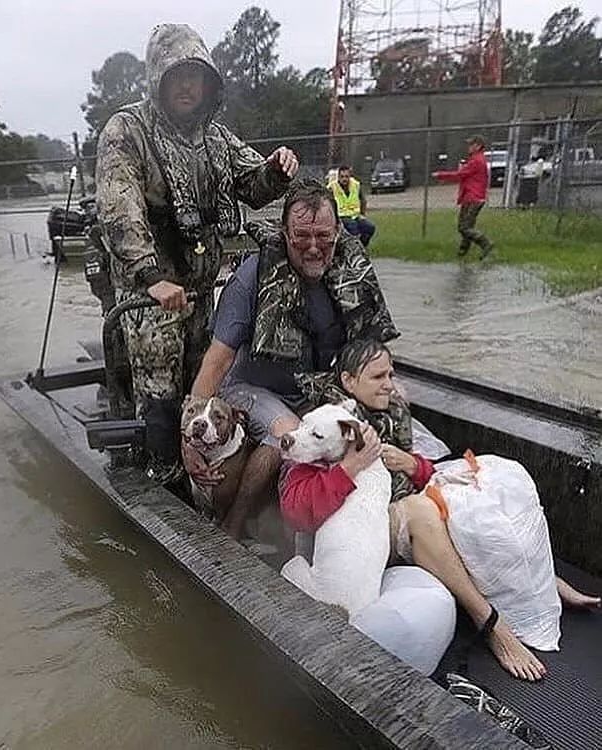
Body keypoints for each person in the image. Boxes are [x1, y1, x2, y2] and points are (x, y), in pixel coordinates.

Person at [282, 337, 600, 681]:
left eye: (390, 373)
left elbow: (425, 471)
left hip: (395, 506)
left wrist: (411, 465)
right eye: (377, 377)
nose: (389, 383)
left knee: (477, 496)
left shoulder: (390, 415)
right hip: (361, 533)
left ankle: (542, 580)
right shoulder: (320, 428)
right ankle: (492, 625)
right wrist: (349, 469)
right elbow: (296, 512)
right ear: (348, 381)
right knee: (422, 512)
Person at [96, 23, 299, 483]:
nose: (188, 85)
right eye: (177, 74)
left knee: (200, 385)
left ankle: (204, 471)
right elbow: (119, 207)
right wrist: (150, 276)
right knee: (161, 389)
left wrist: (278, 169)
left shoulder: (217, 138)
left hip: (200, 289)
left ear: (209, 83)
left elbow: (253, 183)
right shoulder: (128, 130)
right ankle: (163, 473)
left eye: (196, 74)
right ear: (159, 79)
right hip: (150, 293)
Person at [184, 178, 398, 538]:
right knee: (289, 433)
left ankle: (373, 518)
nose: (314, 247)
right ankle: (235, 528)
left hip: (313, 386)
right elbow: (218, 361)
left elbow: (371, 351)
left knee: (392, 422)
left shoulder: (352, 274)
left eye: (324, 236)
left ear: (337, 231)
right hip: (247, 387)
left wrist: (391, 387)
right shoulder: (251, 277)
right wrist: (187, 442)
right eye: (302, 236)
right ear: (284, 233)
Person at [432, 135, 494, 259]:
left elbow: (460, 174)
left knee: (465, 228)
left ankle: (485, 243)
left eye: (471, 145)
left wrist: (440, 175)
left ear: (478, 146)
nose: (469, 147)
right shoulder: (475, 159)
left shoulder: (477, 161)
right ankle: (462, 252)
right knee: (464, 227)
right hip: (469, 198)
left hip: (474, 198)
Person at [327, 165, 376, 247]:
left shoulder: (356, 185)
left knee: (370, 227)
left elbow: (363, 201)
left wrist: (362, 214)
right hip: (341, 216)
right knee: (353, 227)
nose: (344, 179)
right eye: (342, 177)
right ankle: (353, 248)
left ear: (350, 176)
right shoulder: (332, 187)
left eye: (346, 176)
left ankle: (361, 246)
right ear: (338, 177)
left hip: (355, 216)